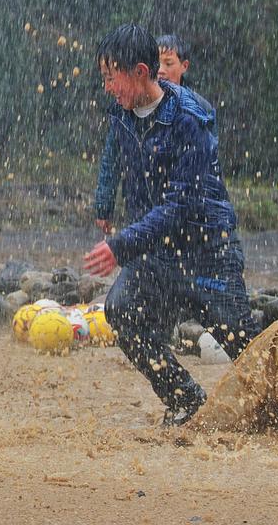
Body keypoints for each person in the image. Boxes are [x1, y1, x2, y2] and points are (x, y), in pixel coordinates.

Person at [82, 24, 256, 427]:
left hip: (206, 252)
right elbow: (113, 164)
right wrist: (106, 204)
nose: (107, 86)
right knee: (122, 310)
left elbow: (181, 205)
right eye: (103, 77)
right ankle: (186, 400)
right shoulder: (121, 115)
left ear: (140, 71)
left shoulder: (190, 120)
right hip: (157, 253)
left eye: (111, 76)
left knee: (248, 351)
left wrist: (120, 246)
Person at [94, 34, 212, 235]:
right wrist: (104, 204)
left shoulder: (194, 114)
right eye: (160, 63)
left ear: (184, 66)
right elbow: (111, 159)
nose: (163, 70)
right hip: (142, 221)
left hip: (187, 230)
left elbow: (196, 187)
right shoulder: (125, 111)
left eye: (169, 63)